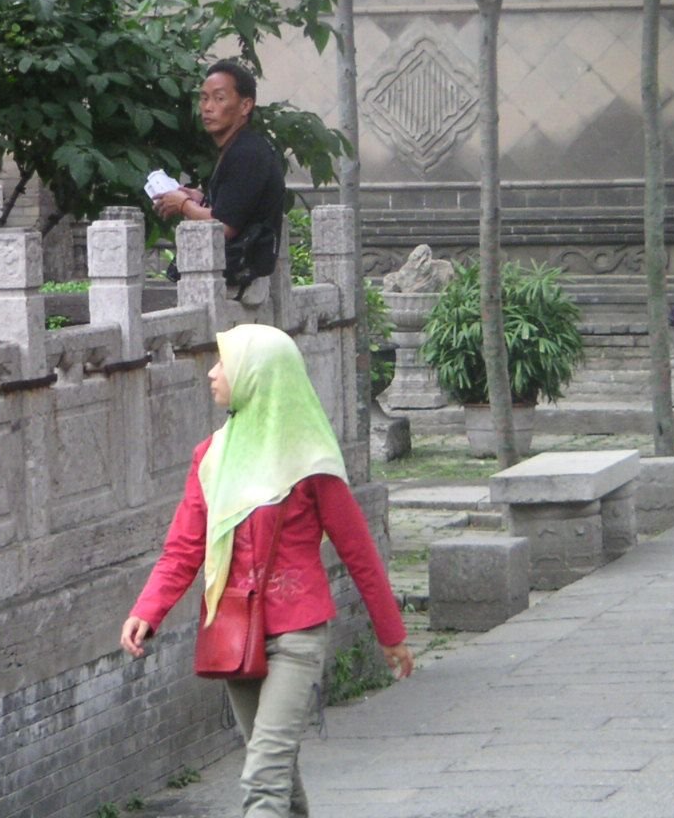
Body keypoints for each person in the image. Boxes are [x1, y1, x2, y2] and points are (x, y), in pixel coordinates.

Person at [120, 324, 413, 818]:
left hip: (297, 634)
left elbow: (359, 552)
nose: (213, 374)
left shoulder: (310, 460)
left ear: (258, 375)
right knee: (278, 774)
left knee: (263, 775)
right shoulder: (210, 457)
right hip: (233, 630)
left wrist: (391, 633)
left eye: (223, 364)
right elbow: (184, 548)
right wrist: (147, 610)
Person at [153, 61, 286, 288]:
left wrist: (184, 205)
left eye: (219, 98)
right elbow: (233, 209)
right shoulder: (238, 147)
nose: (208, 107)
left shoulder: (247, 153)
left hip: (240, 280)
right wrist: (199, 199)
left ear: (245, 106)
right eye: (204, 98)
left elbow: (224, 226)